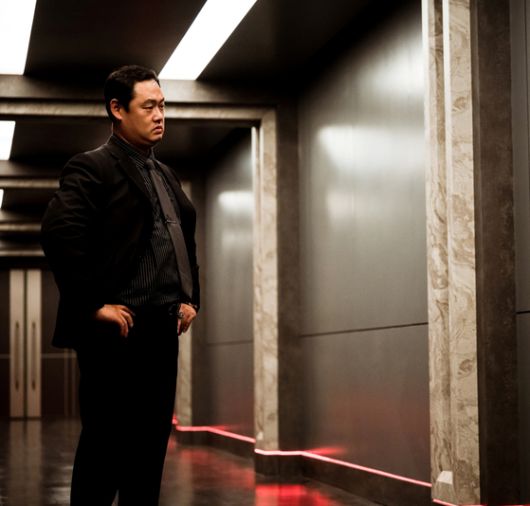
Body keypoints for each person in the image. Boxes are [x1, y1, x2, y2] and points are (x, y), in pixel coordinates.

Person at [41, 65, 200, 505]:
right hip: (118, 332)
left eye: (162, 105)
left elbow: (181, 237)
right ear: (117, 109)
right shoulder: (92, 167)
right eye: (148, 106)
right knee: (105, 451)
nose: (160, 115)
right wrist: (93, 305)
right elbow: (59, 234)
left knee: (149, 453)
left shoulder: (165, 175)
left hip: (161, 331)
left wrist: (189, 298)